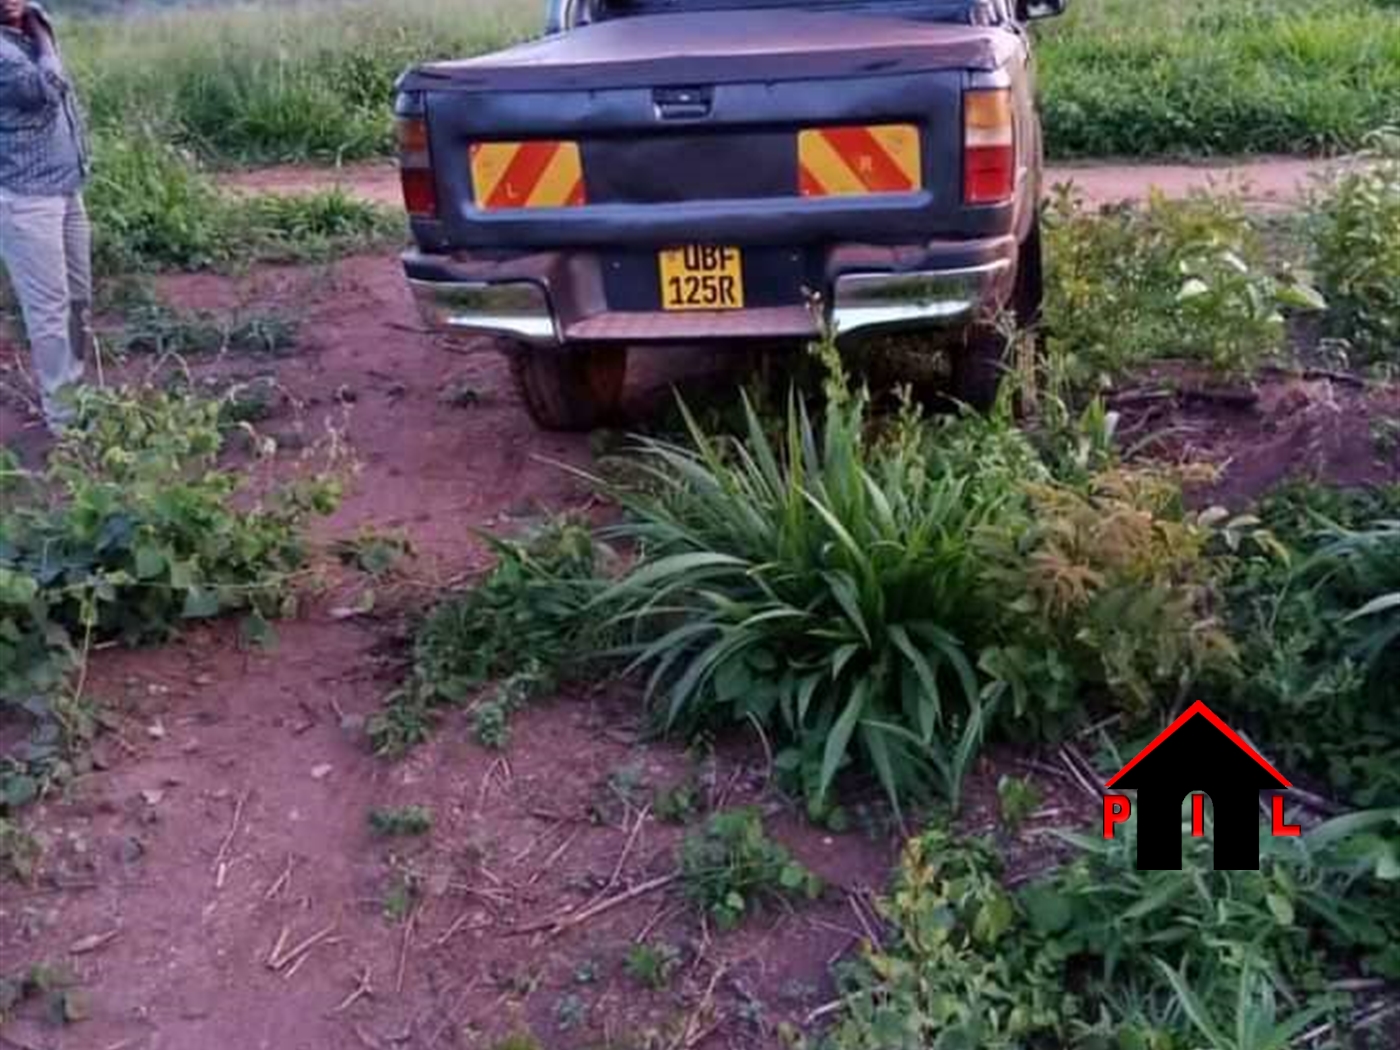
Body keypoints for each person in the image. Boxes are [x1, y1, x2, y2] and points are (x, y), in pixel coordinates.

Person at [0, 0, 91, 432]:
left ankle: (80, 396)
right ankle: (66, 420)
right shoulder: (16, 44)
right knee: (50, 311)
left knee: (78, 299)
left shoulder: (26, 28)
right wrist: (43, 32)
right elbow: (47, 88)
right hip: (26, 197)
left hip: (65, 187)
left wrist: (35, 22)